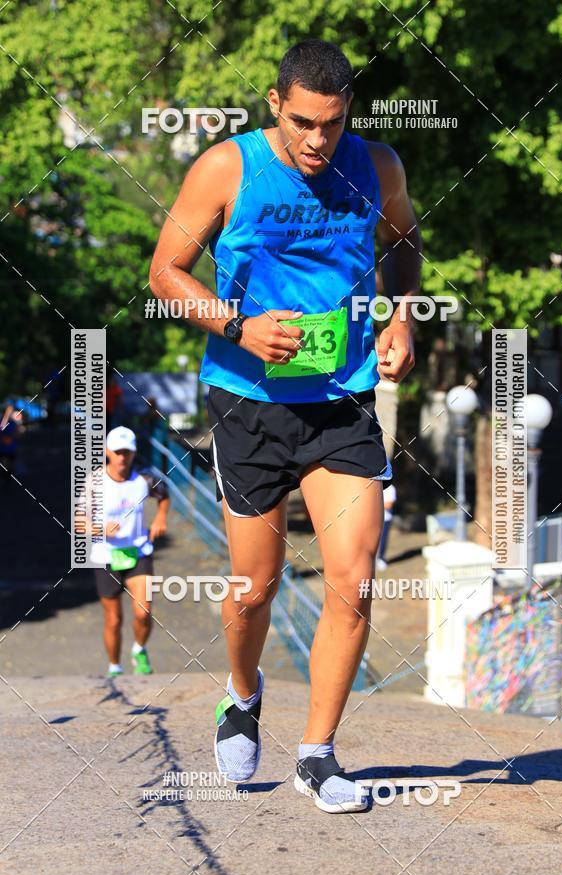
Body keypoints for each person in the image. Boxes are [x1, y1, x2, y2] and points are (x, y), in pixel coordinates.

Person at [149, 39, 421, 812]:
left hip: (342, 401)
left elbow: (404, 241)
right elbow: (165, 272)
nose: (316, 140)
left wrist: (402, 318)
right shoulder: (226, 167)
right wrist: (239, 327)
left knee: (354, 579)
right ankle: (242, 695)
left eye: (331, 124)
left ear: (348, 113)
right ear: (276, 104)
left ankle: (318, 755)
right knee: (253, 590)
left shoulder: (378, 165)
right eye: (302, 122)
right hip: (249, 402)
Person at [86, 426, 170, 677]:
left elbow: (164, 494)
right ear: (107, 452)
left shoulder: (144, 479)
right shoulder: (94, 482)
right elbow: (79, 521)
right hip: (106, 556)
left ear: (134, 453)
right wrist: (100, 529)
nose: (122, 457)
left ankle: (139, 649)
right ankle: (115, 667)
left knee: (143, 612)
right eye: (118, 451)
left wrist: (160, 518)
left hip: (138, 552)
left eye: (127, 452)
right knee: (114, 619)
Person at [376, 474, 397, 571]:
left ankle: (381, 559)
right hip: (375, 518)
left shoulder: (391, 489)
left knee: (383, 540)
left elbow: (389, 505)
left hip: (385, 518)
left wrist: (374, 503)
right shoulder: (376, 487)